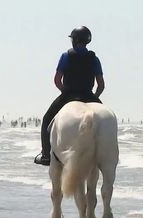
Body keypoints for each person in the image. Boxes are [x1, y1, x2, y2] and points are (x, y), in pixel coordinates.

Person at [35, 26, 104, 166]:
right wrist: (94, 98)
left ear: (75, 40)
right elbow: (101, 85)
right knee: (105, 120)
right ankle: (106, 154)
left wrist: (65, 92)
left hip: (69, 95)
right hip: (89, 96)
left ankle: (46, 155)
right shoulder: (94, 58)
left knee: (47, 119)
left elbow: (57, 80)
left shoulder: (66, 56)